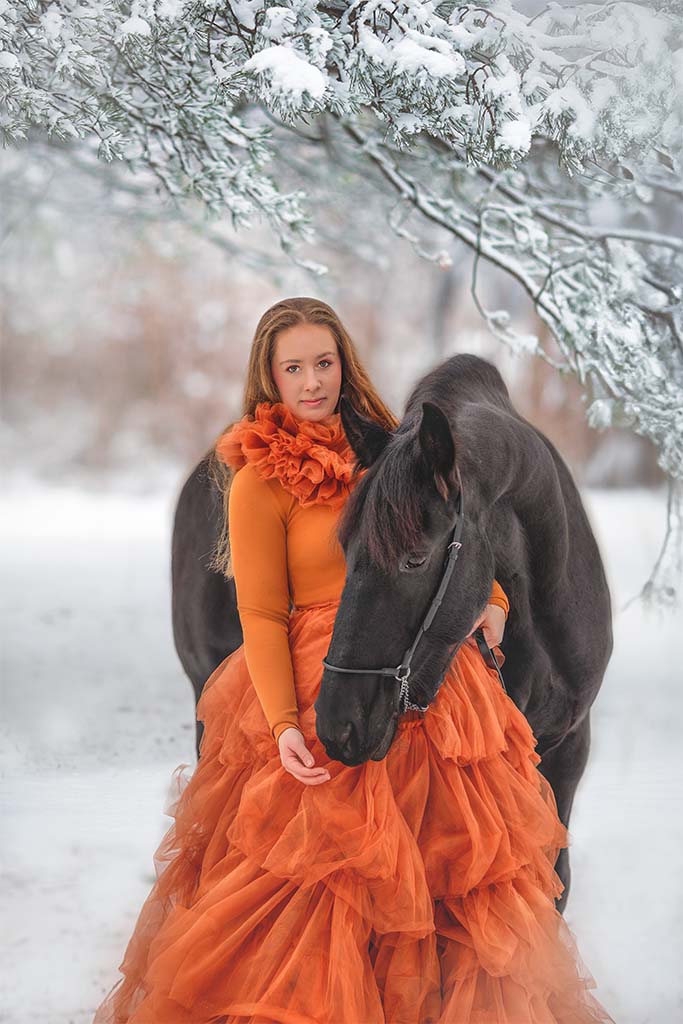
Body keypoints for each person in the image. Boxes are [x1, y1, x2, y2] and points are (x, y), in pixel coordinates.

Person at [93, 297, 615, 1023]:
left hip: (417, 667)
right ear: (269, 377)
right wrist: (279, 722)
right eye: (294, 368)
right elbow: (261, 615)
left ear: (345, 364)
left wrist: (491, 593)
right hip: (317, 673)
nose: (312, 382)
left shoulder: (388, 452)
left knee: (450, 870)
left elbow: (447, 531)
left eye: (324, 363)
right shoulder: (255, 479)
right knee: (320, 881)